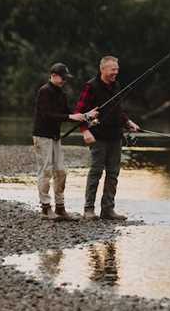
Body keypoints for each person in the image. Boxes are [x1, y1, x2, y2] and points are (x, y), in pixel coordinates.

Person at [74, 55, 140, 220]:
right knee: (96, 172)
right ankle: (88, 209)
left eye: (117, 69)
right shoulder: (91, 86)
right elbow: (79, 112)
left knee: (113, 173)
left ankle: (108, 210)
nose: (116, 72)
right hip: (98, 136)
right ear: (102, 69)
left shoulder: (116, 85)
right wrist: (85, 131)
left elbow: (118, 110)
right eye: (113, 69)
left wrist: (128, 122)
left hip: (115, 135)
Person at [32, 63, 98, 220]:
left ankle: (60, 208)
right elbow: (47, 114)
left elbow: (67, 113)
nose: (64, 81)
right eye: (62, 78)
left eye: (65, 78)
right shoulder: (44, 91)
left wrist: (86, 116)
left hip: (55, 137)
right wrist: (70, 117)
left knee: (61, 171)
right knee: (46, 171)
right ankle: (46, 208)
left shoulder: (61, 93)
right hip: (42, 136)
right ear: (53, 75)